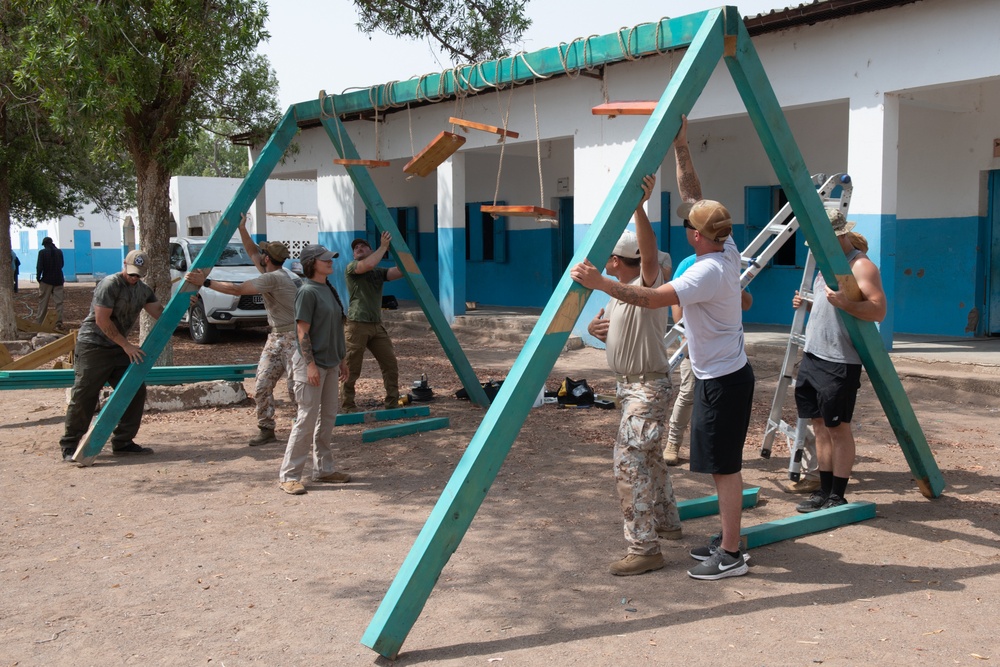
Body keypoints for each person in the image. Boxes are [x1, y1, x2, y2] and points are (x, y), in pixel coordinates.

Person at [572, 115, 755, 581]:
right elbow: (694, 195)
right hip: (712, 374)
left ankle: (722, 552)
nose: (687, 223)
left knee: (708, 467)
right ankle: (692, 531)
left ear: (698, 236)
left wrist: (601, 280)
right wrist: (681, 146)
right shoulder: (723, 247)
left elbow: (651, 294)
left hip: (714, 378)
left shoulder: (702, 272)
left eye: (689, 225)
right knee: (659, 459)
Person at [586, 174, 682, 577]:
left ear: (614, 262)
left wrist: (639, 207)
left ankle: (644, 548)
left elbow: (648, 255)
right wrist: (596, 332)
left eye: (612, 259)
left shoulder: (646, 283)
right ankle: (667, 521)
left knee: (629, 463)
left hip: (646, 387)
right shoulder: (617, 295)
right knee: (649, 459)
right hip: (630, 388)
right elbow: (610, 328)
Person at [793, 209, 886, 512]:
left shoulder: (860, 266)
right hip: (813, 354)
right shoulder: (828, 262)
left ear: (841, 236)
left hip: (839, 361)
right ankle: (823, 489)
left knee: (838, 428)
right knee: (819, 425)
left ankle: (838, 494)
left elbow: (877, 311)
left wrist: (845, 303)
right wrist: (809, 305)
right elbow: (832, 309)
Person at [186, 214, 299, 446]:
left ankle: (303, 431)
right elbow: (252, 252)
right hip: (276, 336)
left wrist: (205, 282)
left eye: (263, 253)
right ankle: (266, 429)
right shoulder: (270, 270)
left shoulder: (274, 278)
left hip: (292, 337)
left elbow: (238, 290)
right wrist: (242, 229)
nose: (259, 255)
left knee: (295, 389)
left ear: (268, 258)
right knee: (262, 384)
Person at [60, 250, 163, 461]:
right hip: (93, 346)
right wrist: (127, 345)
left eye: (139, 274)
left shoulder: (143, 290)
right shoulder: (109, 284)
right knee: (84, 394)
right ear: (124, 264)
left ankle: (123, 442)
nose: (134, 278)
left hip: (118, 348)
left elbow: (160, 313)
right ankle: (70, 445)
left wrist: (184, 303)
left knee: (134, 390)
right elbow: (102, 320)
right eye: (132, 273)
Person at [663, 254, 752, 466]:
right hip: (695, 343)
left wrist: (732, 285)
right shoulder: (688, 263)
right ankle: (673, 443)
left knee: (722, 398)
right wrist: (684, 332)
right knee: (688, 392)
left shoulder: (730, 264)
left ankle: (717, 448)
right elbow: (676, 300)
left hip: (724, 349)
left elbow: (747, 303)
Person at [278, 244, 351, 495]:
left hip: (331, 364)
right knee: (306, 420)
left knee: (328, 417)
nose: (330, 263)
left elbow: (336, 328)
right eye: (325, 260)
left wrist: (342, 359)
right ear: (312, 264)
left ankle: (324, 469)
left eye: (330, 259)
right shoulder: (307, 292)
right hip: (311, 365)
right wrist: (310, 365)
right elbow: (302, 332)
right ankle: (289, 475)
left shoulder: (328, 289)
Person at [341, 232, 403, 412]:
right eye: (355, 248)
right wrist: (383, 247)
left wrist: (398, 250)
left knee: (390, 364)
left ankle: (392, 403)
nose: (358, 249)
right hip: (357, 324)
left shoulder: (378, 271)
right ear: (353, 255)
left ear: (370, 249)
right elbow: (366, 265)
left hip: (376, 324)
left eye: (362, 246)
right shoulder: (352, 267)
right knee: (352, 368)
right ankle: (347, 406)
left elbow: (399, 271)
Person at [36, 236, 65, 330]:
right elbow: (62, 265)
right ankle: (58, 322)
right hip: (59, 279)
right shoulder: (59, 252)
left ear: (45, 244)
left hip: (46, 280)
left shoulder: (42, 252)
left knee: (43, 302)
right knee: (59, 303)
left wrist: (38, 277)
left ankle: (40, 322)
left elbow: (39, 266)